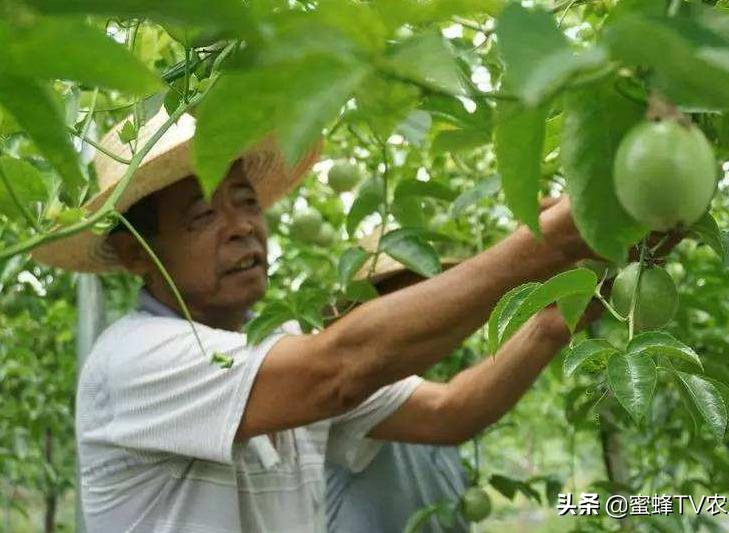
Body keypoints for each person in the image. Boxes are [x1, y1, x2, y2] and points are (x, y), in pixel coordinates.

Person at [31, 110, 601, 533]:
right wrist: (553, 239)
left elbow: (451, 411)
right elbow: (338, 369)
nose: (241, 227)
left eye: (247, 202)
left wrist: (560, 312)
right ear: (136, 255)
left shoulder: (276, 346)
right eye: (203, 215)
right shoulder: (133, 359)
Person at [325, 241, 470, 533]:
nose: (423, 316)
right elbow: (450, 411)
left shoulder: (441, 417)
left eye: (432, 299)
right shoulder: (355, 394)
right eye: (403, 302)